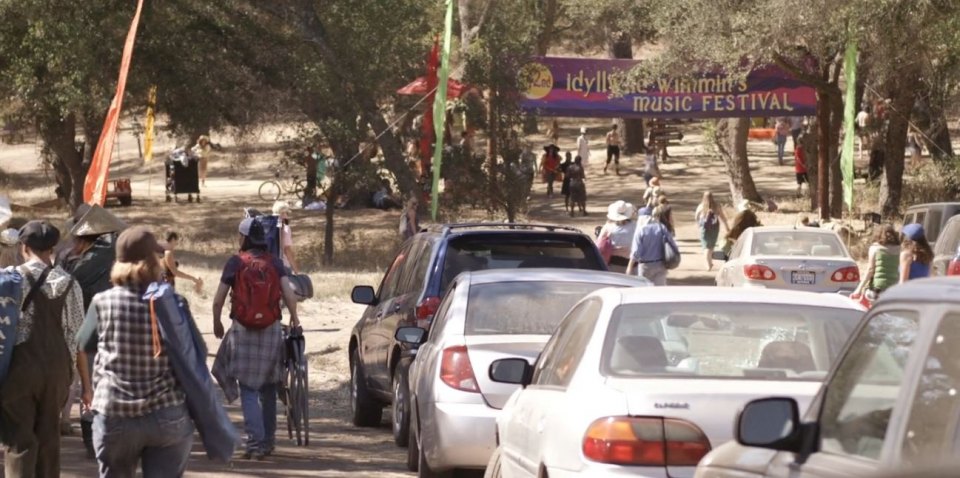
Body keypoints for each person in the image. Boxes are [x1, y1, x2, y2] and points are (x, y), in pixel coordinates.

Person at [76, 226, 193, 477]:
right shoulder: (174, 302)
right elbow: (193, 356)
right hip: (166, 414)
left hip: (115, 413)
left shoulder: (102, 302)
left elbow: (83, 345)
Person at [0, 220, 84, 478]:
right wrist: (78, 380)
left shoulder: (10, 280)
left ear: (24, 247)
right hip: (57, 370)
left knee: (19, 441)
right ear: (53, 249)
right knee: (49, 439)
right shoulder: (71, 283)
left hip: (20, 369)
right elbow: (76, 335)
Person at [212, 218, 300, 460]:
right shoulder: (275, 263)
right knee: (269, 387)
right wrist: (295, 319)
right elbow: (289, 294)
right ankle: (268, 442)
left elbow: (218, 299)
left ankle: (255, 443)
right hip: (271, 329)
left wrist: (217, 322)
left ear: (244, 238)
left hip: (243, 330)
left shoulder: (235, 262)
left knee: (249, 388)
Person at [60, 204, 124, 457]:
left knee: (87, 385)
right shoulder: (113, 254)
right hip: (109, 328)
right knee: (106, 384)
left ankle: (91, 437)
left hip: (78, 329)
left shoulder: (67, 258)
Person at [626, 206, 678, 286]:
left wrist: (629, 267)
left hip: (645, 266)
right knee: (659, 290)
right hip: (661, 265)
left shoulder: (640, 231)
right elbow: (672, 243)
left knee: (645, 290)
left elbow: (636, 252)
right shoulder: (661, 227)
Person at [852, 224, 901, 299]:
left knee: (867, 296)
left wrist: (859, 289)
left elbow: (870, 270)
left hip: (878, 288)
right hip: (894, 288)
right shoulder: (900, 249)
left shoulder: (875, 248)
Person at [597, 201, 637, 273]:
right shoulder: (635, 226)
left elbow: (599, 244)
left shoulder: (608, 227)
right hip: (631, 263)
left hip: (613, 262)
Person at [695, 192, 730, 271]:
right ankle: (710, 262)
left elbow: (696, 216)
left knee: (706, 247)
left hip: (704, 229)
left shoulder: (701, 206)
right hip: (714, 228)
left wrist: (699, 224)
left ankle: (708, 264)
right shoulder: (716, 206)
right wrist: (727, 227)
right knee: (711, 246)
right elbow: (722, 217)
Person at [272, 201, 299, 274]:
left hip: (269, 265)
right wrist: (296, 270)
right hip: (283, 266)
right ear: (283, 213)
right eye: (287, 213)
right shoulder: (285, 227)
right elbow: (287, 250)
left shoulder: (268, 225)